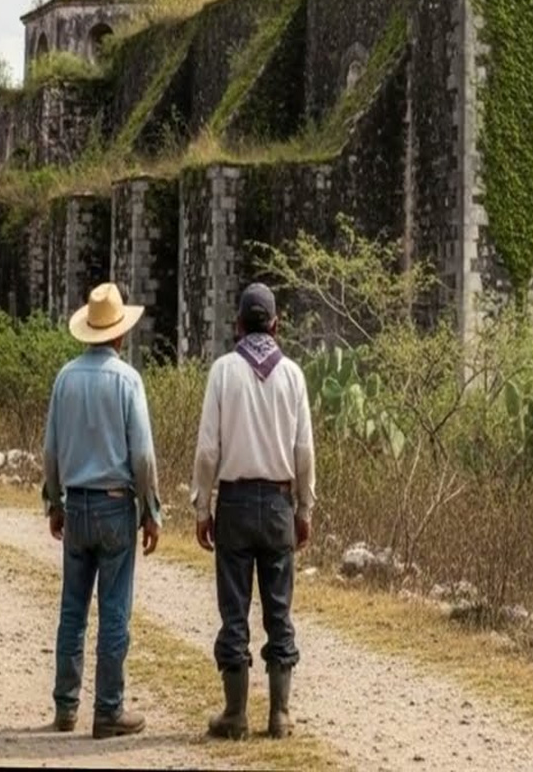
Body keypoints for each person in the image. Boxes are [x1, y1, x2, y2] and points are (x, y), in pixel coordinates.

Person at [191, 282, 316, 741]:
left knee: (234, 610)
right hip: (280, 500)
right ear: (277, 325)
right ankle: (280, 714)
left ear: (237, 325)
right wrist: (305, 507)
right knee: (279, 610)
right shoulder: (293, 375)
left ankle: (235, 713)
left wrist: (203, 507)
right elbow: (304, 452)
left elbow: (208, 451)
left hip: (236, 503)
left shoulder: (224, 372)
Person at [42, 282, 162, 739]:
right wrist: (150, 510)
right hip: (115, 505)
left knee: (72, 609)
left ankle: (66, 706)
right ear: (119, 334)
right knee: (114, 610)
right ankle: (108, 710)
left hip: (76, 504)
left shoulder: (64, 378)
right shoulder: (128, 380)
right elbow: (144, 458)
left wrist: (55, 502)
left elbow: (51, 451)